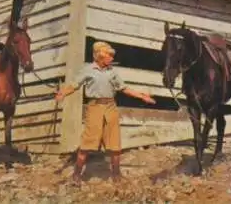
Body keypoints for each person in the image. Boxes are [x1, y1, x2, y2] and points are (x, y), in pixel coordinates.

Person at [55, 41, 156, 186]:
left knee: (115, 143)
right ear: (100, 56)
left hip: (110, 107)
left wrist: (141, 96)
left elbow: (124, 88)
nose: (112, 58)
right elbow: (74, 85)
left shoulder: (112, 71)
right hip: (94, 108)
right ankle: (76, 175)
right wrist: (62, 93)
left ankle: (116, 175)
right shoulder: (88, 70)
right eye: (109, 56)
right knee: (87, 142)